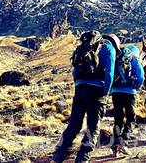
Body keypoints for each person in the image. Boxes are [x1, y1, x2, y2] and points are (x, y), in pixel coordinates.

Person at [51, 31, 120, 163]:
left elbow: (74, 71)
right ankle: (82, 158)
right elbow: (110, 74)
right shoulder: (109, 48)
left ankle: (58, 156)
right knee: (93, 128)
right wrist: (105, 92)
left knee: (74, 125)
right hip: (97, 92)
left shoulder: (84, 47)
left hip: (80, 89)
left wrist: (79, 85)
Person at [110, 45, 144, 156]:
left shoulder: (117, 57)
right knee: (130, 119)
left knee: (118, 119)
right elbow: (141, 77)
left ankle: (115, 147)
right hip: (129, 93)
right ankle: (123, 143)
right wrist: (136, 88)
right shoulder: (134, 58)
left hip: (115, 92)